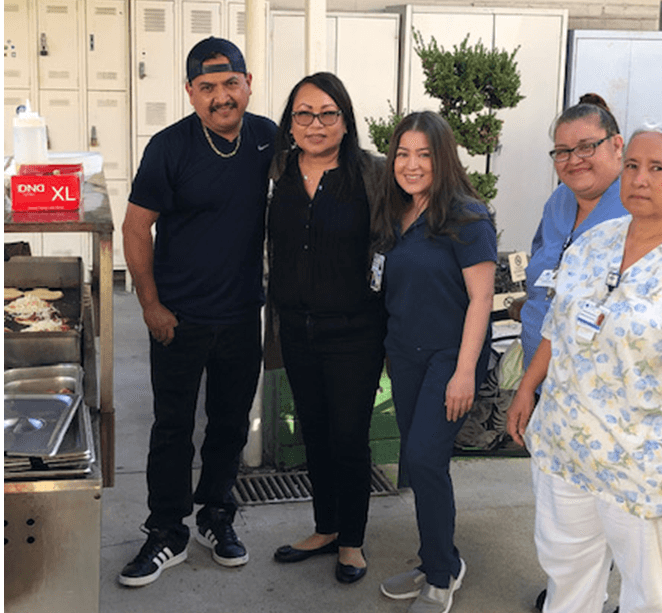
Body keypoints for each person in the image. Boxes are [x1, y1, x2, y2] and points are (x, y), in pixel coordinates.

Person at [507, 120, 662, 613]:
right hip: (569, 451)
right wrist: (526, 391)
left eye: (657, 168)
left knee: (653, 596)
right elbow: (558, 328)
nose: (639, 179)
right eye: (632, 167)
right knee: (567, 577)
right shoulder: (595, 242)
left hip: (648, 468)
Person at [119, 37, 276, 587]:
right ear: (190, 93)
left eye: (230, 83)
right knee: (172, 428)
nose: (220, 96)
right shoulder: (169, 148)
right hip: (178, 318)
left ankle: (215, 515)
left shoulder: (266, 140)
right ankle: (167, 530)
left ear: (248, 83)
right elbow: (136, 227)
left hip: (240, 316)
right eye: (206, 87)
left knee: (230, 426)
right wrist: (150, 304)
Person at [374, 111, 497, 613]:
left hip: (449, 357)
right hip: (404, 356)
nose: (411, 163)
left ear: (442, 157)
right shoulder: (394, 214)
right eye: (403, 153)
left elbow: (482, 300)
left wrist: (465, 371)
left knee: (425, 460)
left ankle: (441, 577)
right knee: (419, 464)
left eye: (423, 153)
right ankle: (437, 557)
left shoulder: (467, 217)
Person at [267, 72, 386, 584]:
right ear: (290, 123)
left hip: (355, 330)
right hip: (297, 327)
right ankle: (325, 526)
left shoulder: (372, 175)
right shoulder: (276, 172)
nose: (315, 124)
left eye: (327, 113)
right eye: (303, 114)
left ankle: (352, 542)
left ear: (345, 119)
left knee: (348, 436)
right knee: (314, 430)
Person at [507, 94, 627, 373]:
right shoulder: (559, 200)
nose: (574, 160)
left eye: (586, 147)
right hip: (537, 374)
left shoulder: (636, 207)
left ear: (617, 145)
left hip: (597, 383)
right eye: (562, 151)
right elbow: (542, 271)